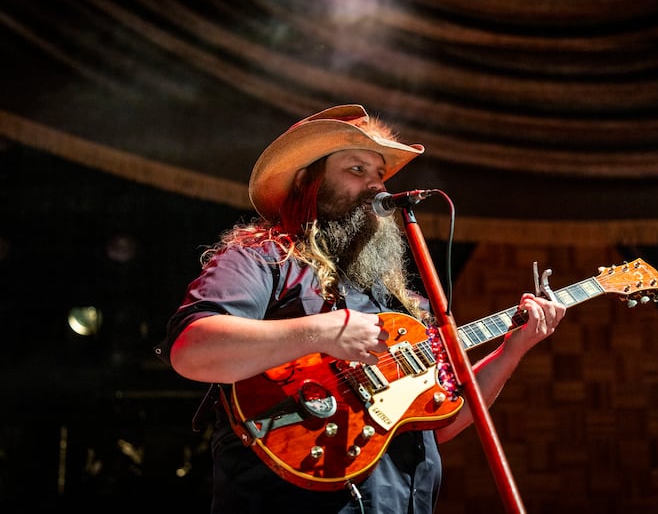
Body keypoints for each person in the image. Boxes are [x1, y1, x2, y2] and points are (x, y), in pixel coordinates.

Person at [154, 104, 566, 513]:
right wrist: (325, 331)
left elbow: (437, 426)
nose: (376, 187)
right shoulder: (263, 258)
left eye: (379, 174)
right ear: (307, 182)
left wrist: (511, 350)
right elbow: (193, 350)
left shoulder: (399, 304)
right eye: (356, 170)